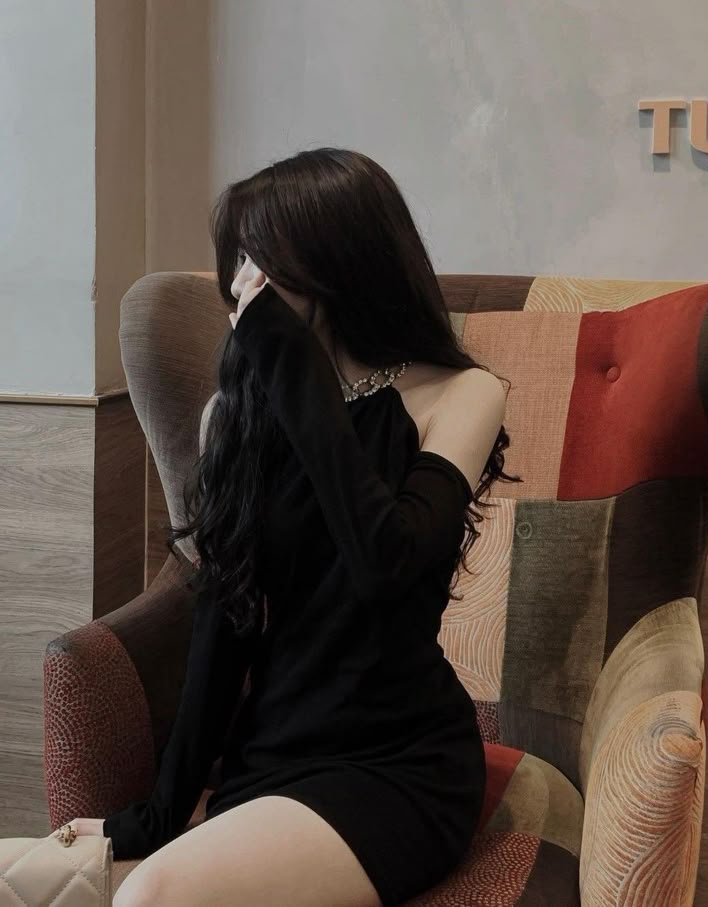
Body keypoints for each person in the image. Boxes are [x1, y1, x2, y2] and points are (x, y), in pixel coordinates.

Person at [72, 147, 520, 906]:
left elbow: (386, 563)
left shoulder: (461, 394)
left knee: (150, 898)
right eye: (239, 258)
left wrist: (295, 369)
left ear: (336, 262)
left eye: (263, 259)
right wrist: (159, 813)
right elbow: (224, 625)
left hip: (400, 763)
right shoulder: (234, 417)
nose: (243, 283)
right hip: (272, 756)